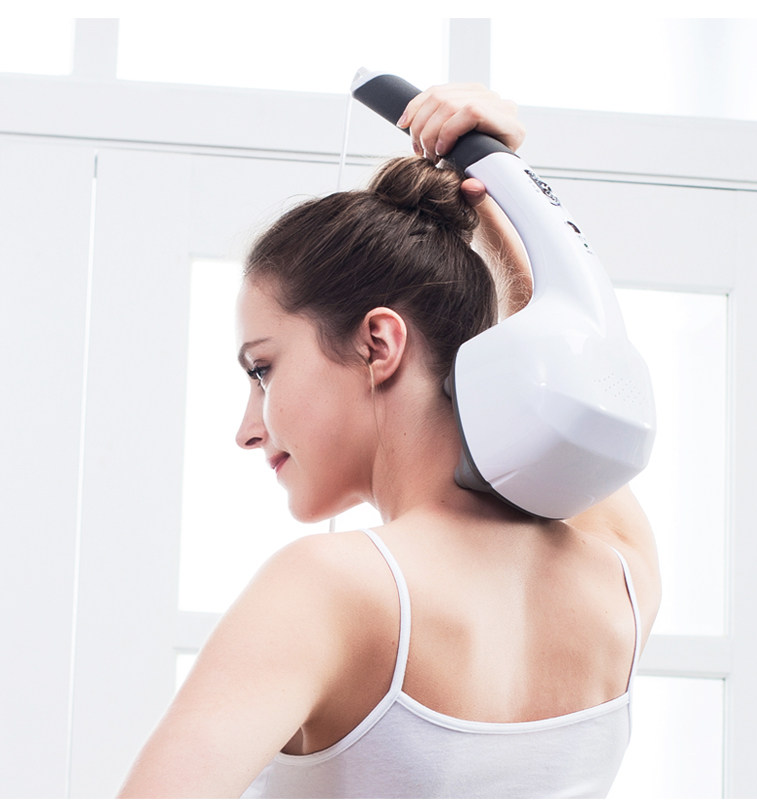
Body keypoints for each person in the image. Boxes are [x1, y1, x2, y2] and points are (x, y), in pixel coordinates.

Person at [118, 84, 660, 799]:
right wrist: (503, 187)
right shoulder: (622, 582)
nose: (247, 429)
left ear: (379, 342)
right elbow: (578, 407)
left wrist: (496, 178)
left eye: (263, 368)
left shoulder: (326, 590)